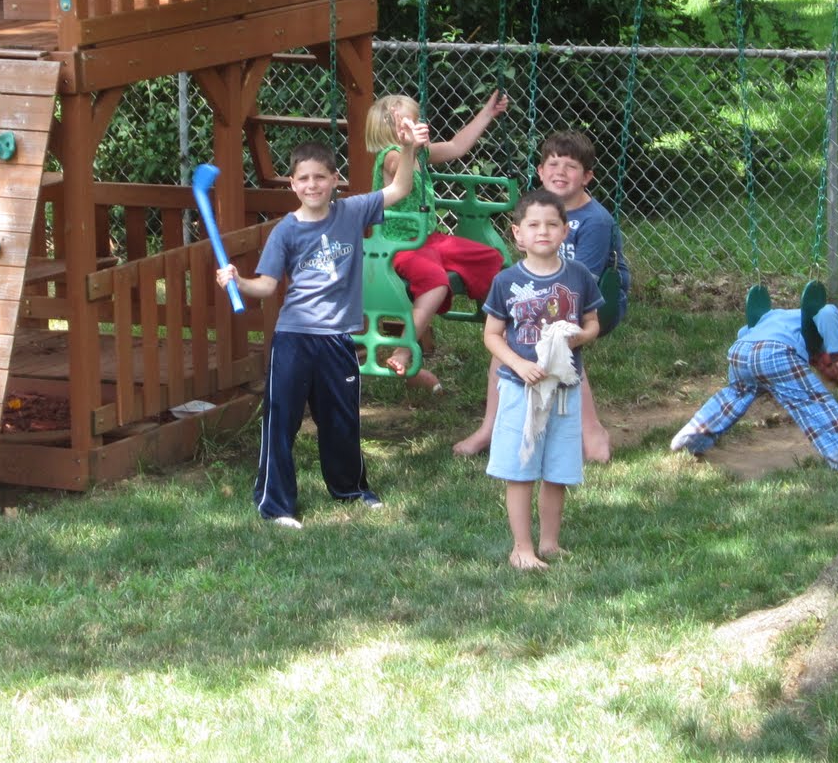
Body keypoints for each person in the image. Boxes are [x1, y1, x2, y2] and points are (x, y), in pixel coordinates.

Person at [215, 115, 430, 529]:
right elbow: (265, 285)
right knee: (282, 421)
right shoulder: (285, 232)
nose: (311, 185)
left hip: (337, 339)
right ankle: (275, 504)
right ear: (292, 185)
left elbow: (401, 188)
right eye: (303, 179)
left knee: (341, 420)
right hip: (294, 338)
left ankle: (351, 490)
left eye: (320, 177)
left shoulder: (352, 212)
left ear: (335, 180)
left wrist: (407, 148)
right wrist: (238, 280)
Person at [454, 131, 628, 461]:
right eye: (553, 164)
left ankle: (591, 429)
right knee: (508, 334)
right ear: (540, 171)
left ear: (587, 177)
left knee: (556, 334)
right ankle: (490, 427)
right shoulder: (540, 212)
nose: (560, 172)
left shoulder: (595, 221)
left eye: (571, 166)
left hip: (595, 301)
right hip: (548, 301)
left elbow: (581, 287)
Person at [482, 189, 602, 569]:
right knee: (521, 469)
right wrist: (518, 365)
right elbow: (491, 335)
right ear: (517, 233)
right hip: (521, 388)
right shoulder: (506, 281)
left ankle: (549, 543)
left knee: (557, 468)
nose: (543, 232)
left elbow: (592, 323)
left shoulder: (579, 276)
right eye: (533, 225)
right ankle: (522, 548)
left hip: (565, 389)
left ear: (565, 231)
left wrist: (580, 338)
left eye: (552, 224)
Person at [362, 90, 510, 391]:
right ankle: (404, 349)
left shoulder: (422, 154)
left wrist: (487, 113)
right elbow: (399, 172)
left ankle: (501, 329)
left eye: (418, 120)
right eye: (411, 123)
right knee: (435, 282)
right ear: (391, 130)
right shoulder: (390, 157)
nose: (420, 125)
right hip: (397, 245)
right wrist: (407, 148)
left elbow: (457, 146)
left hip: (429, 239)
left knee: (490, 258)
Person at [668, 304, 838, 474]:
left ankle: (689, 440)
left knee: (732, 397)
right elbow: (829, 311)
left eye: (821, 368)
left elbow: (746, 329)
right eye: (827, 364)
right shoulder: (825, 325)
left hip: (740, 351)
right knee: (813, 402)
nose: (818, 364)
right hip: (775, 350)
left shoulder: (781, 317)